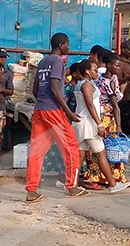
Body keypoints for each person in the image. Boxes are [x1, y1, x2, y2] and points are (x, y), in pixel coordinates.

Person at [25, 33, 88, 202]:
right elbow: (54, 88)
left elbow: (35, 89)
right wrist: (68, 112)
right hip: (54, 111)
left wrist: (42, 102)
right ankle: (72, 187)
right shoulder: (58, 61)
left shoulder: (43, 62)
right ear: (61, 46)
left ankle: (31, 191)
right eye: (67, 45)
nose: (69, 47)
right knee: (71, 147)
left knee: (37, 152)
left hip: (40, 110)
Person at [73, 60, 128, 194]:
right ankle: (112, 184)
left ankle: (72, 183)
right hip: (89, 124)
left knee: (80, 155)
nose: (96, 72)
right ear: (87, 71)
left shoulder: (83, 84)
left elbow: (91, 105)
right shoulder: (86, 85)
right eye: (94, 70)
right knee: (101, 153)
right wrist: (99, 124)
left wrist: (102, 110)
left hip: (83, 123)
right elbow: (90, 105)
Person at [85, 52, 130, 187]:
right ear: (109, 65)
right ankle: (114, 178)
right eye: (116, 65)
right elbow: (116, 105)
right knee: (110, 148)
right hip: (108, 118)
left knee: (99, 150)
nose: (118, 68)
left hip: (101, 115)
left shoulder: (102, 78)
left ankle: (97, 177)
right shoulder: (107, 82)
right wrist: (119, 125)